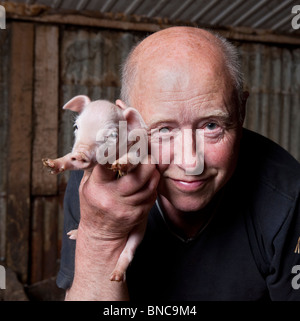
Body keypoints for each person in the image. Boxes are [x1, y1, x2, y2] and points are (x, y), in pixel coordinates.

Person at [56, 26, 300, 301]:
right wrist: (101, 237)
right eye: (163, 130)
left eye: (211, 125)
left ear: (241, 111)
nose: (190, 162)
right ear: (128, 122)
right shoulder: (97, 185)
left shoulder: (288, 196)